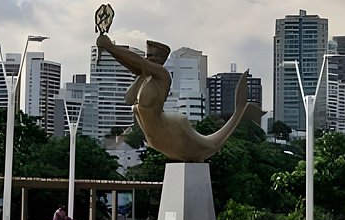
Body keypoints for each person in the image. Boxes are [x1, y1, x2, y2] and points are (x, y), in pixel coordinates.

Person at [96, 33, 262, 162]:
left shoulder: (163, 75)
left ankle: (241, 110)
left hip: (172, 132)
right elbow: (129, 98)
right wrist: (112, 51)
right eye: (148, 57)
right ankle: (241, 110)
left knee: (203, 148)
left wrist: (111, 47)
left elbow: (140, 64)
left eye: (153, 57)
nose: (148, 60)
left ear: (161, 60)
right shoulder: (145, 80)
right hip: (157, 139)